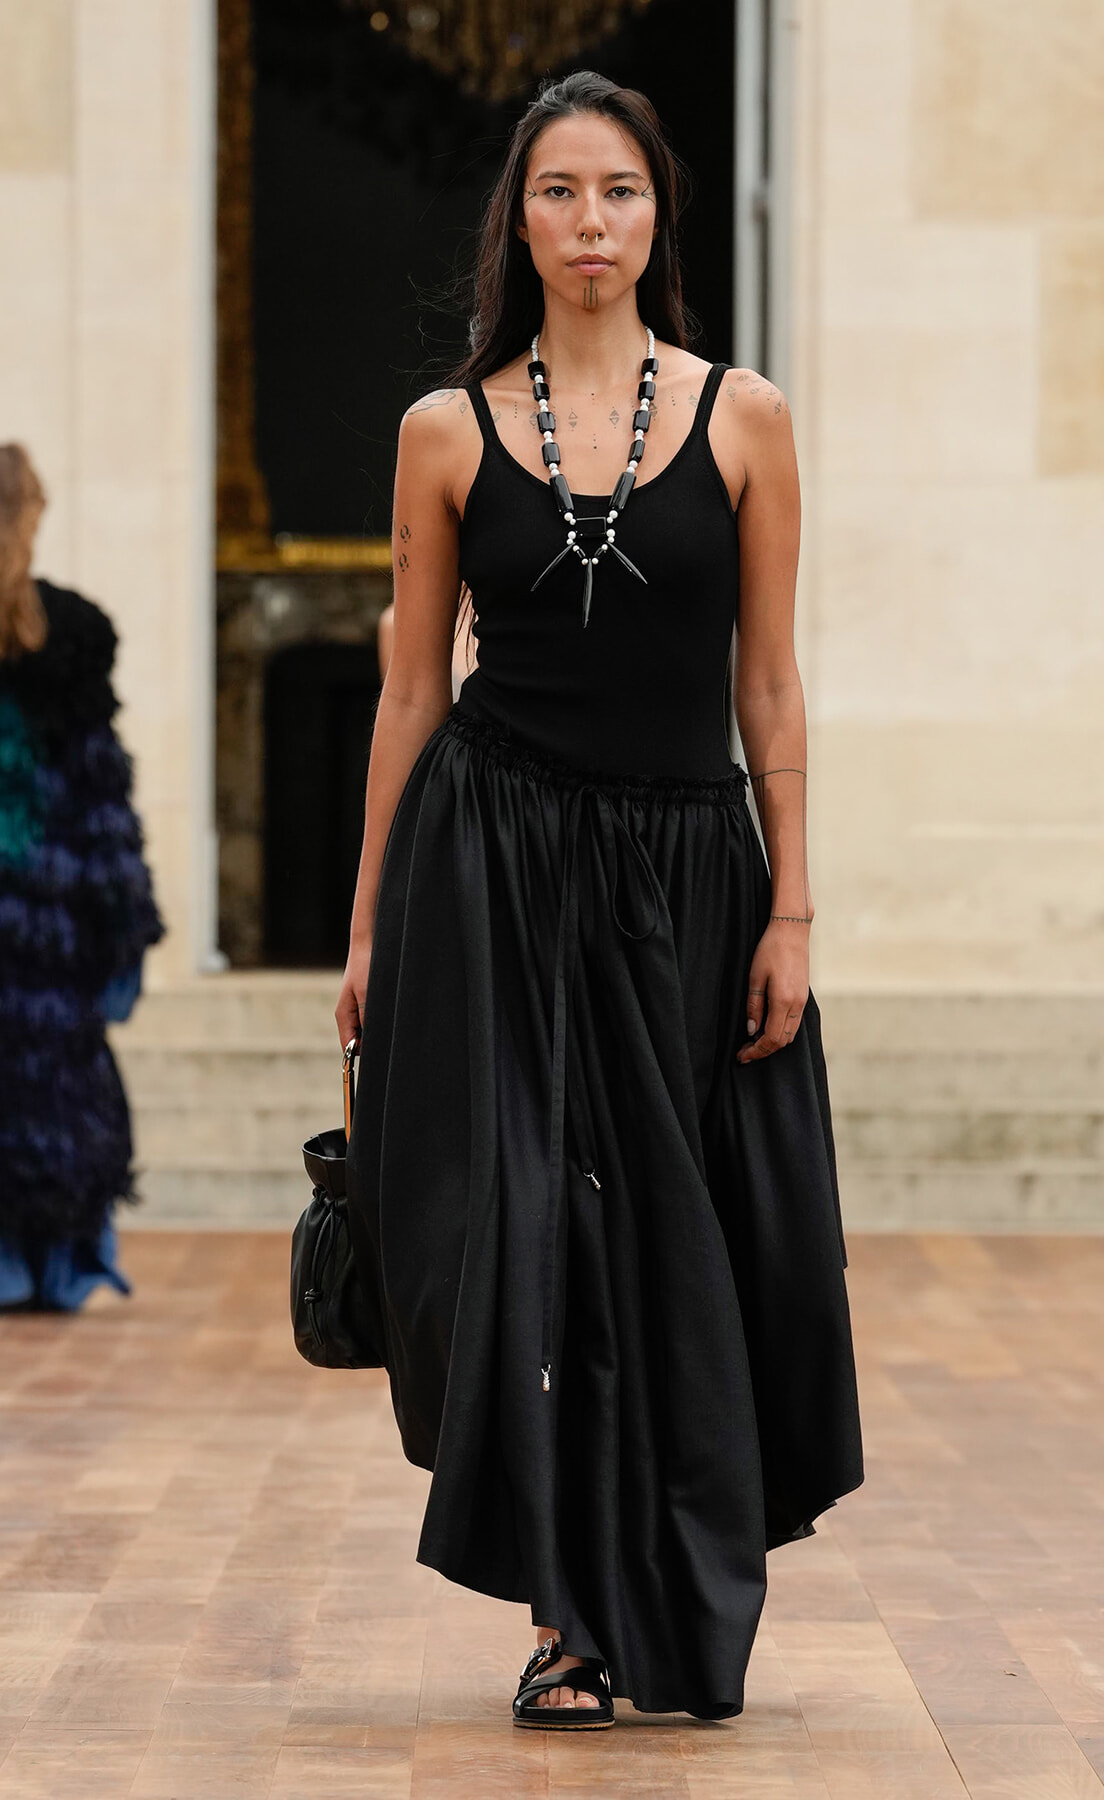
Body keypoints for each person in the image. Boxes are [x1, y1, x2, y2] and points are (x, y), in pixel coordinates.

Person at [338, 70, 863, 1727]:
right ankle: (566, 1619)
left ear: (661, 215)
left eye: (619, 191)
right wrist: (364, 929)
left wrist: (793, 911)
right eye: (558, 192)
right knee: (522, 1239)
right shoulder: (444, 431)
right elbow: (410, 697)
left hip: (689, 877)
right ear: (520, 216)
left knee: (680, 1238)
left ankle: (677, 1589)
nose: (589, 222)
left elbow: (769, 687)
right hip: (488, 867)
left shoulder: (747, 417)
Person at [0, 444, 164, 1310]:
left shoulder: (65, 633)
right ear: (31, 513)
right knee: (57, 1082)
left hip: (29, 906)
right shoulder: (68, 631)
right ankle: (56, 1263)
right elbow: (101, 790)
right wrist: (121, 917)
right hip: (49, 910)